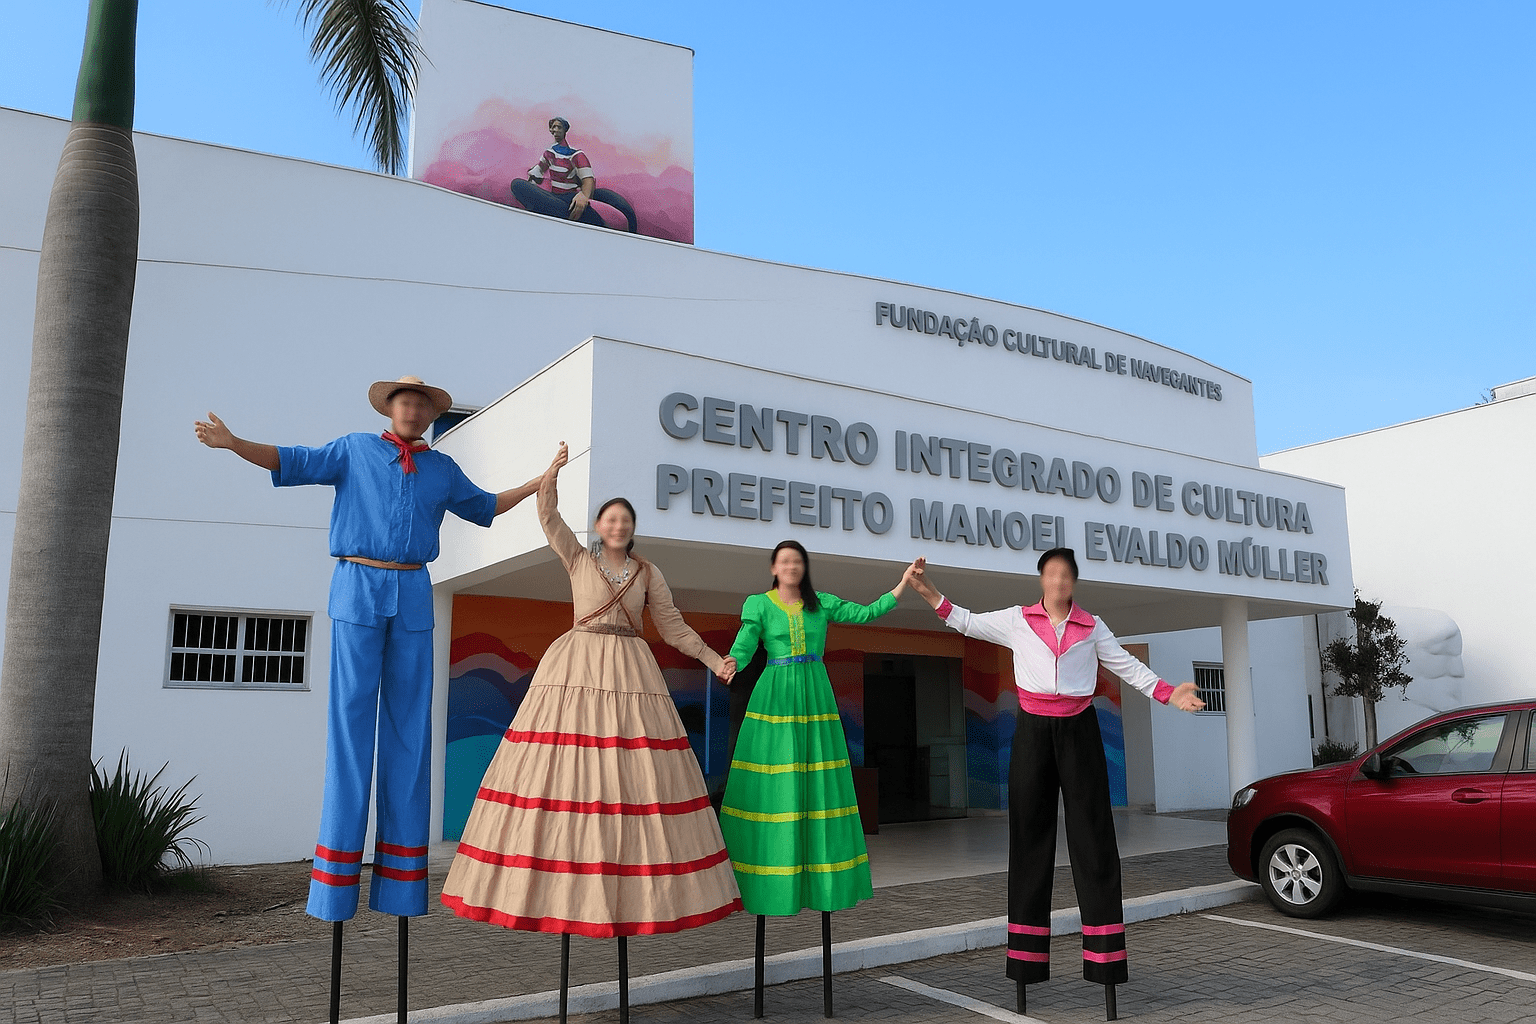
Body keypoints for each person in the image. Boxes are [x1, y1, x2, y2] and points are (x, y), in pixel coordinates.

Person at [441, 441, 743, 940]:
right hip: (577, 666)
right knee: (568, 766)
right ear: (599, 526)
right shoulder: (578, 559)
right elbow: (548, 517)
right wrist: (552, 473)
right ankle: (560, 879)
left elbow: (672, 626)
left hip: (631, 671)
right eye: (610, 519)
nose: (618, 526)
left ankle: (629, 882)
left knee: (632, 771)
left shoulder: (648, 573)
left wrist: (715, 660)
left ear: (632, 528)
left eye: (625, 520)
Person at [904, 549, 1204, 1021]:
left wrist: (1169, 693)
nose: (1059, 580)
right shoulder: (1017, 620)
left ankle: (1105, 965)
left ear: (1074, 582)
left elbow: (1127, 665)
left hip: (1080, 732)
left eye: (1066, 574)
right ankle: (1026, 965)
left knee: (1095, 843)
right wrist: (928, 592)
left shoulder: (1092, 626)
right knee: (1029, 843)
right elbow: (966, 622)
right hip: (1033, 734)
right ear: (1041, 579)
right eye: (1051, 573)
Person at [510, 116, 637, 231]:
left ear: (565, 130)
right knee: (518, 185)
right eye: (553, 127)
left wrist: (584, 196)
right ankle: (576, 216)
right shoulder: (549, 153)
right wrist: (532, 179)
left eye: (559, 127)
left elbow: (588, 180)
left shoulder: (576, 155)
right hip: (556, 198)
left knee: (607, 198)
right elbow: (537, 172)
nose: (555, 130)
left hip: (573, 198)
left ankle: (584, 217)